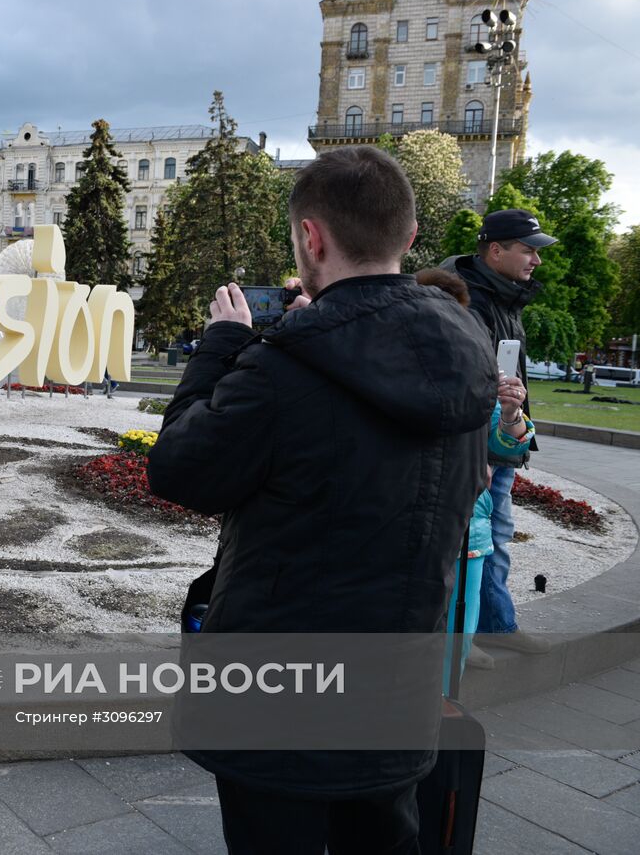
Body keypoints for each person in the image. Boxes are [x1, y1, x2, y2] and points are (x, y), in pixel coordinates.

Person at [146, 146, 497, 854]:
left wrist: (219, 347)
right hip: (397, 692)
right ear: (409, 233)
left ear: (311, 237)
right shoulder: (468, 357)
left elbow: (179, 469)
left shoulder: (281, 369)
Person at [440, 208, 558, 665]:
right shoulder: (471, 300)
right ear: (495, 250)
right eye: (528, 250)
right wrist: (485, 448)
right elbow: (463, 380)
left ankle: (486, 627)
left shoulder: (504, 297)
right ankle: (467, 634)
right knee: (472, 540)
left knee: (493, 537)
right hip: (481, 445)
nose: (536, 260)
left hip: (502, 439)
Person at [417, 269, 536, 679]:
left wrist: (510, 413)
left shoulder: (478, 375)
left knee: (455, 650)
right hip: (407, 528)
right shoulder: (388, 371)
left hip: (469, 530)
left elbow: (507, 447)